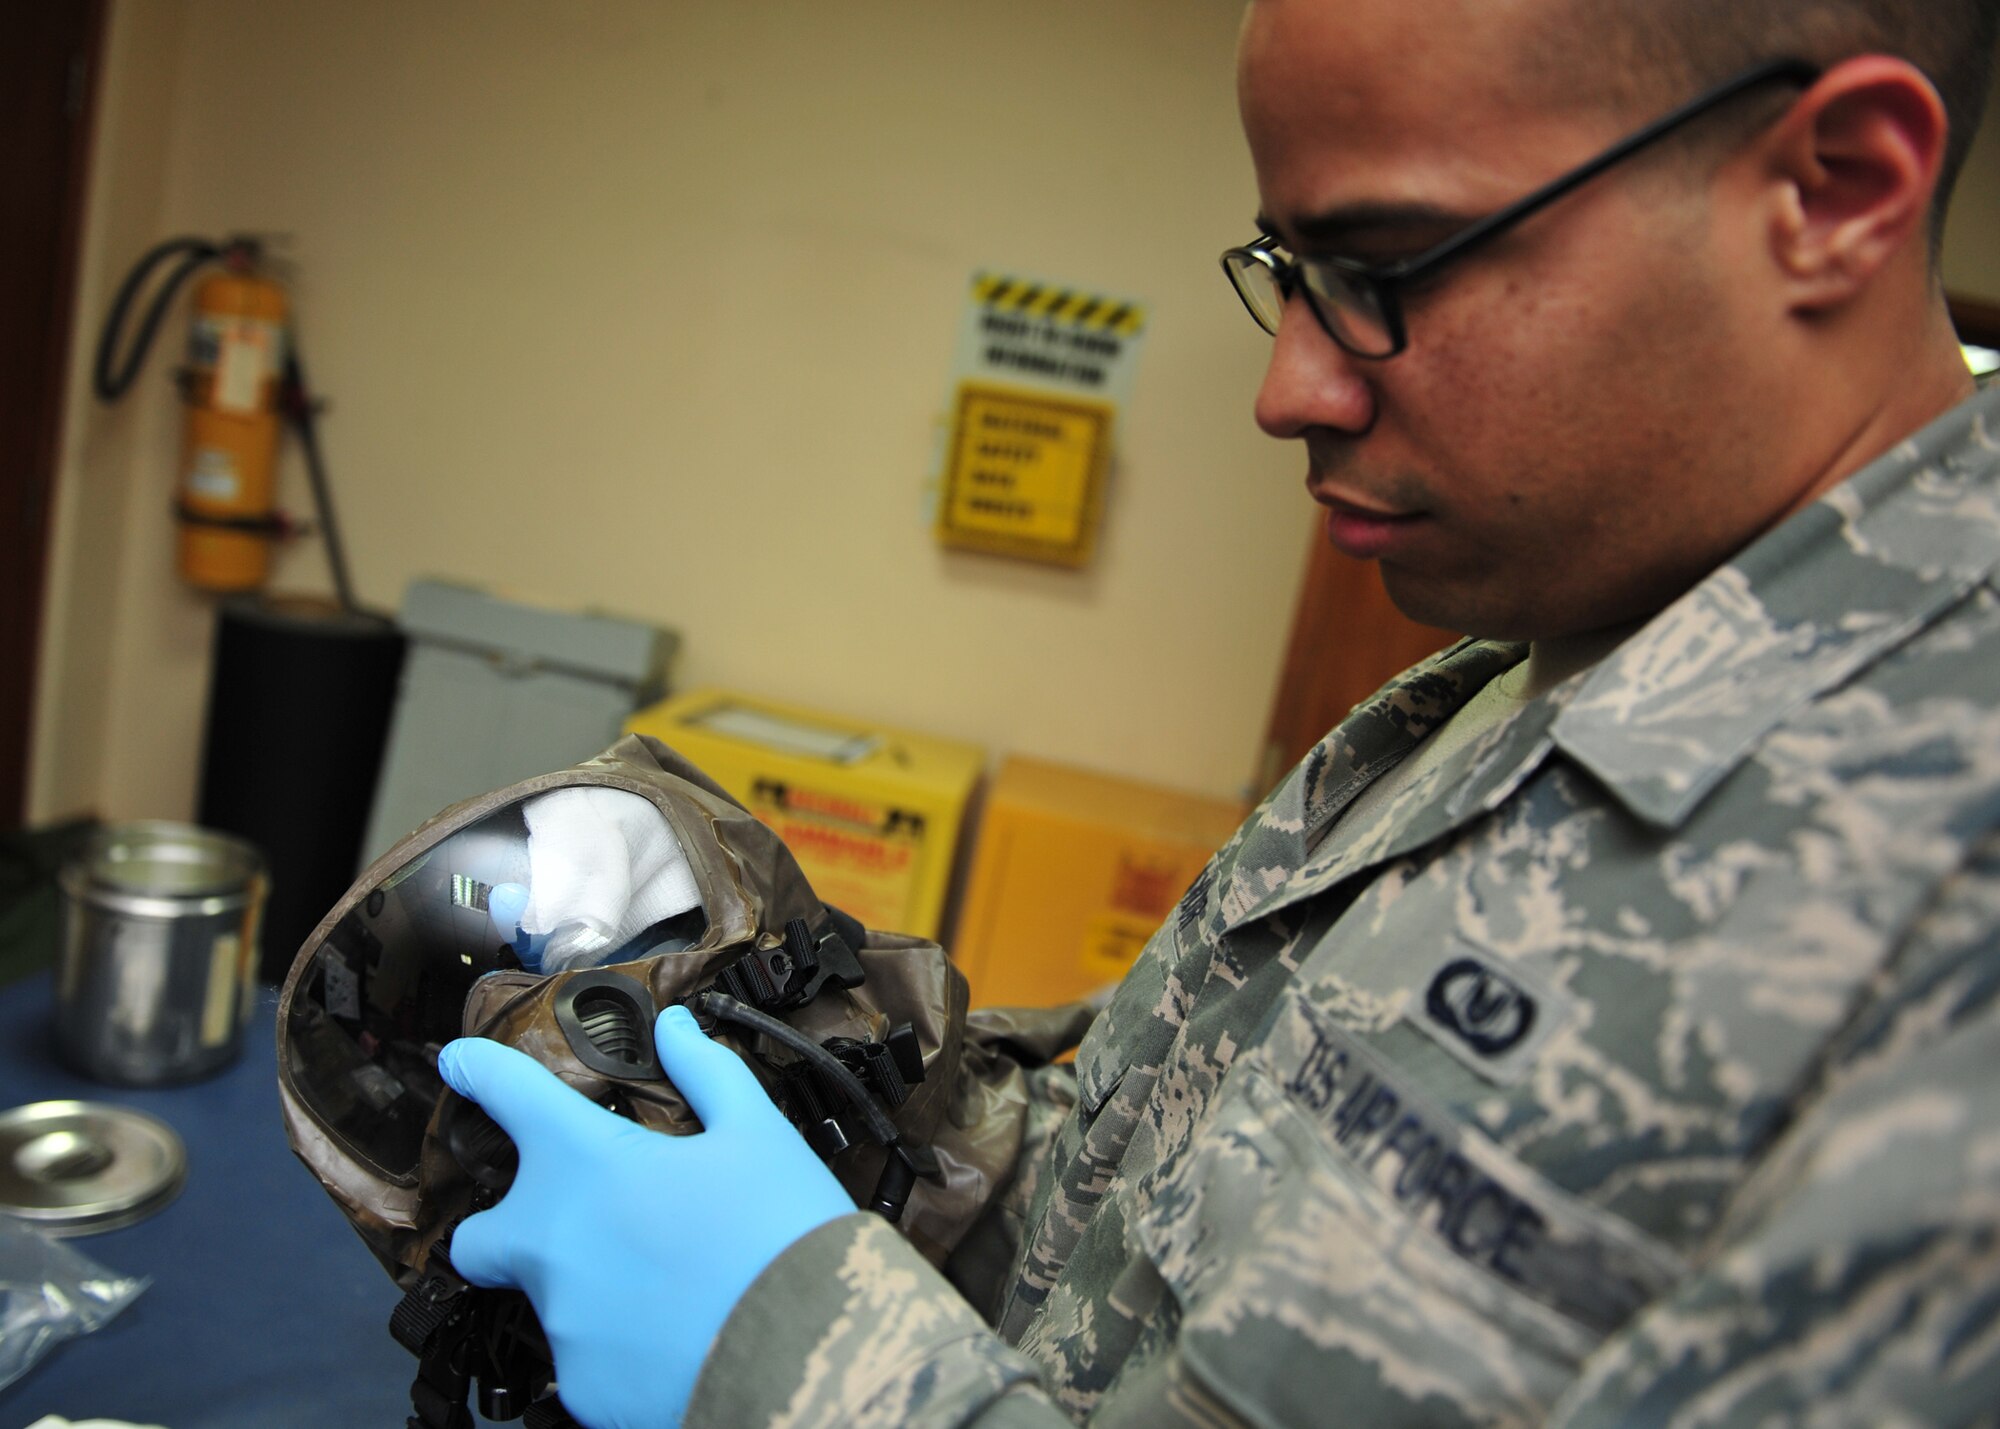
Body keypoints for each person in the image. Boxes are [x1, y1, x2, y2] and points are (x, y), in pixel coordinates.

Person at [436, 0, 2000, 1422]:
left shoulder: (1951, 954)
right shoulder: (1529, 663)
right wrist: (830, 1078)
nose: (1291, 389)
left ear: (1837, 188)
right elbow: (1146, 1196)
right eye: (1292, 277)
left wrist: (782, 1355)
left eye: (1385, 268)